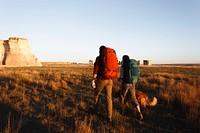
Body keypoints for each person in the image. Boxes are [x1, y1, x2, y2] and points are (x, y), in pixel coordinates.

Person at [92, 45, 116, 122]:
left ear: (100, 51)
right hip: (110, 80)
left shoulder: (99, 58)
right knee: (109, 97)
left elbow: (96, 70)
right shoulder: (109, 57)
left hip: (102, 79)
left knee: (96, 94)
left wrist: (93, 79)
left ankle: (95, 110)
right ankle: (109, 116)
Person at [119, 55, 143, 120]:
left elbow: (121, 76)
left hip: (125, 84)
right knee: (133, 98)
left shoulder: (123, 66)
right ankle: (139, 113)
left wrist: (120, 79)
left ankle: (122, 111)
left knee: (122, 96)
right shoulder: (131, 65)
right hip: (132, 83)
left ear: (123, 60)